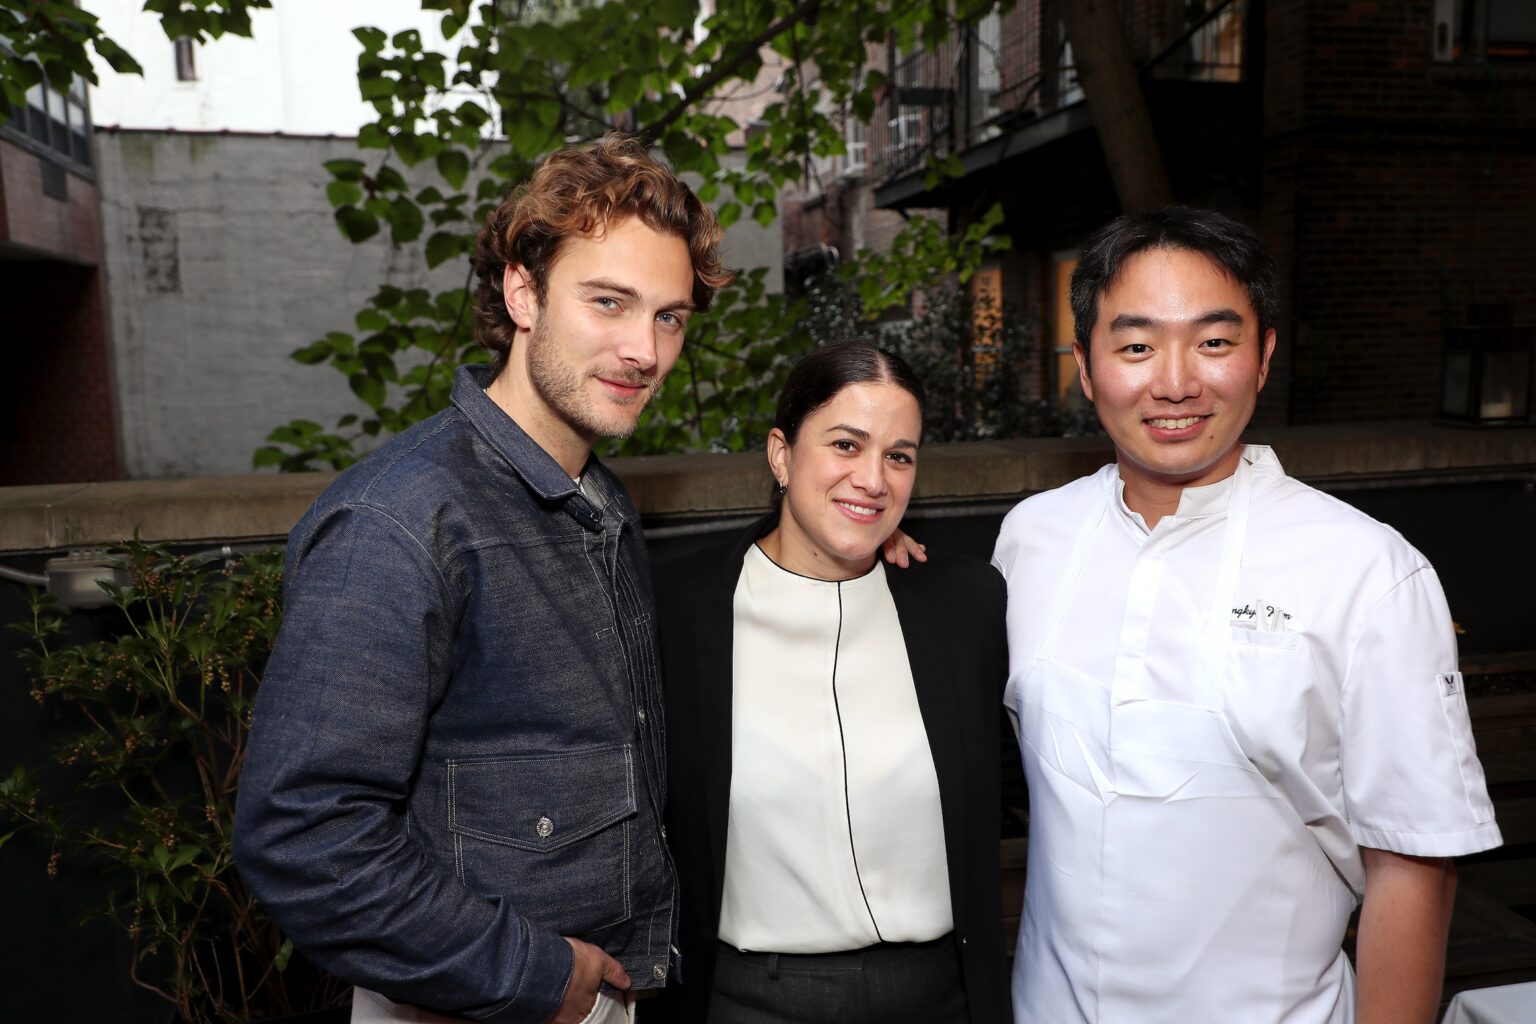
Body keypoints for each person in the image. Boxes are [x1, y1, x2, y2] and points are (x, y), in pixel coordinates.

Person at [233, 134, 731, 1024]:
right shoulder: (398, 520)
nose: (645, 350)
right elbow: (305, 842)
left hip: (607, 992)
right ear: (522, 293)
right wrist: (537, 975)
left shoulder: (599, 500)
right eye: (609, 302)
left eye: (670, 317)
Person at [992, 206, 1502, 1023]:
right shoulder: (1032, 538)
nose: (1175, 382)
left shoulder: (1368, 571)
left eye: (1214, 342)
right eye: (1135, 346)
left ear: (1262, 358)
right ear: (1085, 367)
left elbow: (1413, 864)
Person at [654, 342, 1014, 1024]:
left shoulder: (963, 604)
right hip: (751, 1000)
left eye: (899, 456)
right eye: (846, 445)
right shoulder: (680, 610)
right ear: (781, 455)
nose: (873, 479)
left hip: (942, 996)